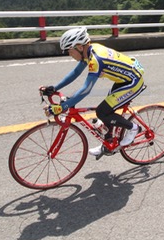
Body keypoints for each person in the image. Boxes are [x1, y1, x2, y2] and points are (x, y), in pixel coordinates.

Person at [40, 27, 144, 156]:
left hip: (133, 82)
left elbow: (86, 89)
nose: (69, 54)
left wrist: (63, 107)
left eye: (69, 50)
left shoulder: (96, 59)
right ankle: (108, 144)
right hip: (123, 80)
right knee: (107, 110)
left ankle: (133, 128)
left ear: (78, 46)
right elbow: (76, 73)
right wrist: (54, 88)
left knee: (102, 111)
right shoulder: (88, 51)